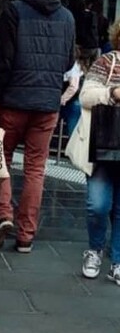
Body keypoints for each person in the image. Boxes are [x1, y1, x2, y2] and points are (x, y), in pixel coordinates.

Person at [0, 0, 75, 253]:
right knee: (36, 168)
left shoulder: (14, 11)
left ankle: (4, 216)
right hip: (47, 104)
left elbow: (4, 59)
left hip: (13, 100)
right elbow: (68, 63)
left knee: (3, 156)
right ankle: (26, 236)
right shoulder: (67, 17)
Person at [66, 23, 120, 283]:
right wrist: (113, 93)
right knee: (98, 205)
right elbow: (85, 97)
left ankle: (118, 261)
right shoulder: (106, 62)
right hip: (104, 144)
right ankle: (95, 250)